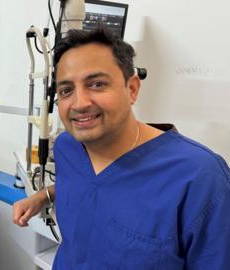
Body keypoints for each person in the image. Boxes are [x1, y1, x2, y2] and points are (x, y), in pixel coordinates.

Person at [13, 28, 230, 269]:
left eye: (96, 84)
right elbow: (90, 187)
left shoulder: (200, 178)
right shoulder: (67, 147)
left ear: (132, 89)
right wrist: (42, 196)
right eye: (66, 90)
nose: (80, 103)